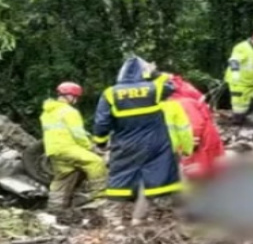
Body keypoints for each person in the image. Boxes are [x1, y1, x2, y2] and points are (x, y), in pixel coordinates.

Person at [92, 58, 187, 226]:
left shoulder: (110, 93)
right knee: (154, 176)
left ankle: (115, 222)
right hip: (156, 144)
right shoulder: (153, 89)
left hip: (125, 143)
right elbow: (171, 85)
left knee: (120, 177)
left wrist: (100, 141)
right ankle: (141, 217)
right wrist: (155, 73)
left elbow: (102, 122)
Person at [40, 82, 106, 213]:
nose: (76, 100)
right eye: (76, 97)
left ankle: (54, 209)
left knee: (63, 176)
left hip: (53, 150)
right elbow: (78, 134)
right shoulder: (69, 111)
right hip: (68, 148)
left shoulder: (47, 112)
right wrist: (90, 147)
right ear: (70, 96)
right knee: (96, 162)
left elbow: (63, 130)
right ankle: (100, 198)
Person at [167, 75, 224, 182]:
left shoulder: (181, 102)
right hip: (204, 143)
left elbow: (194, 127)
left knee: (199, 177)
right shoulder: (184, 95)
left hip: (198, 146)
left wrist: (187, 145)